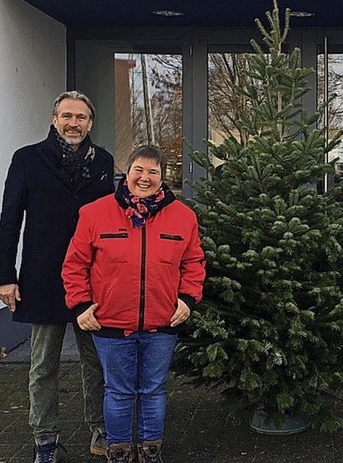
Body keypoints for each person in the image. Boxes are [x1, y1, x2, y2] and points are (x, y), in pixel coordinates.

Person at [62, 144, 206, 463]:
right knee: (119, 391)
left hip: (163, 322)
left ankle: (151, 451)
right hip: (110, 322)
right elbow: (75, 264)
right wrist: (81, 304)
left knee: (153, 390)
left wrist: (187, 299)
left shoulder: (183, 217)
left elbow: (194, 262)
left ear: (163, 177)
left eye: (153, 172)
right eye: (139, 170)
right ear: (127, 173)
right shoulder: (95, 213)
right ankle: (120, 451)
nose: (145, 177)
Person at [0, 91, 114, 462]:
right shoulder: (27, 159)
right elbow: (9, 221)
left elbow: (112, 224)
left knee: (95, 361)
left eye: (81, 117)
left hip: (91, 280)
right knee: (42, 365)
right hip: (42, 278)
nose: (73, 123)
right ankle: (45, 439)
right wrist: (5, 276)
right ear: (54, 119)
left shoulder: (103, 163)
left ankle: (100, 429)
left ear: (90, 123)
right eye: (66, 115)